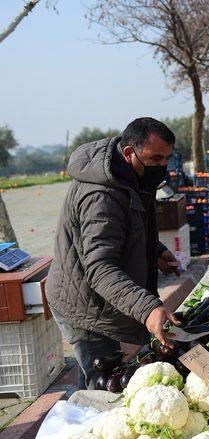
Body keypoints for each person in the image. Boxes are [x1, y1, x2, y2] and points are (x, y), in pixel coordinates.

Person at [45, 118, 181, 390]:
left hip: (99, 297)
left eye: (167, 158)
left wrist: (155, 251)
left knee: (105, 375)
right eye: (155, 158)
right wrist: (147, 307)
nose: (162, 166)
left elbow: (129, 228)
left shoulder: (132, 175)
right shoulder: (101, 196)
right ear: (130, 152)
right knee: (104, 382)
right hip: (84, 306)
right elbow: (100, 268)